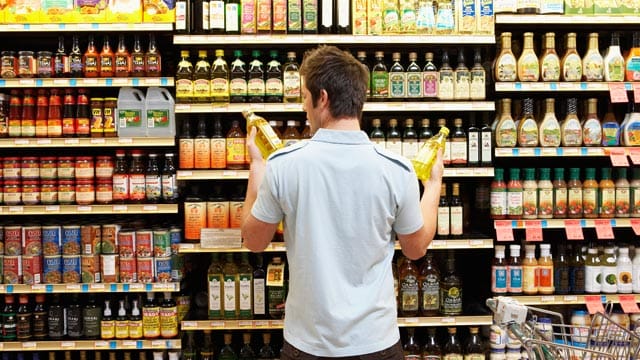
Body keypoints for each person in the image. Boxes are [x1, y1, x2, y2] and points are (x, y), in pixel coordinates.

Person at [241, 45, 443, 359]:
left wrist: (257, 167)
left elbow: (254, 241)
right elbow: (415, 249)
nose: (304, 109)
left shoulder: (283, 164)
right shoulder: (395, 170)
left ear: (322, 98)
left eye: (305, 99)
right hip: (376, 342)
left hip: (307, 343)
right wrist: (433, 185)